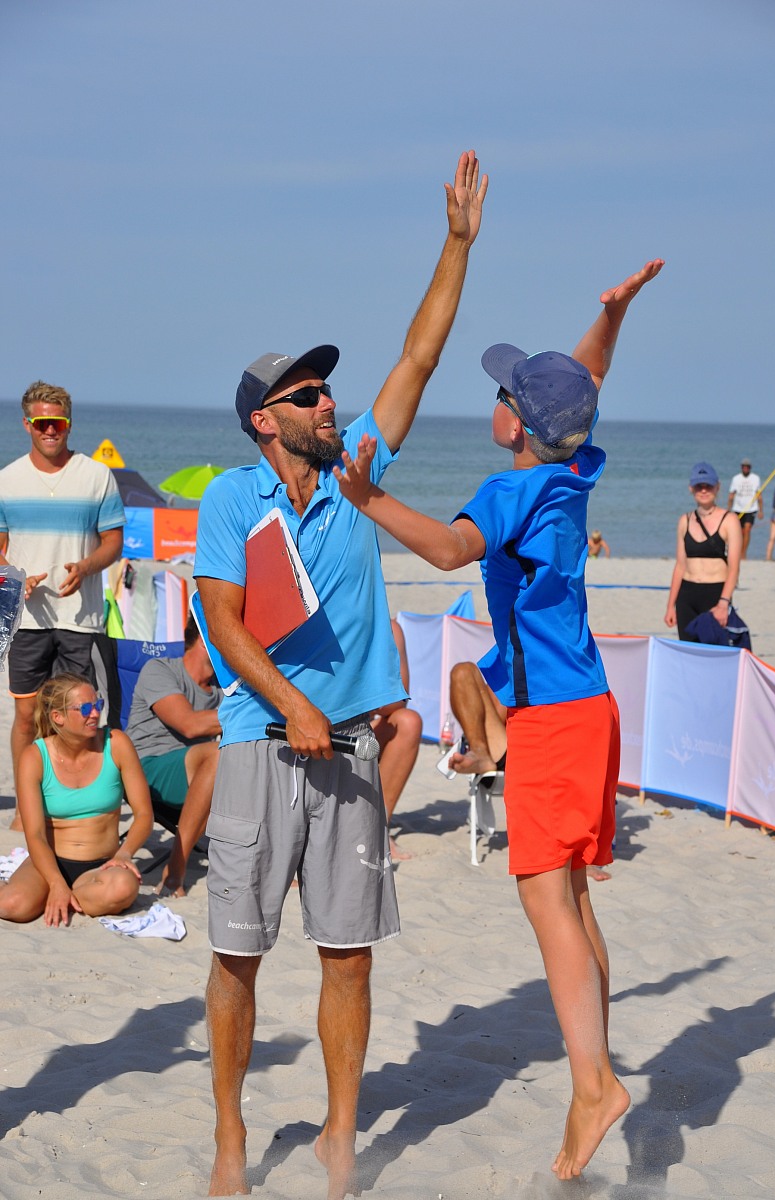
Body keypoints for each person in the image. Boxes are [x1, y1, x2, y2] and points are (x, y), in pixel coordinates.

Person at [193, 150, 487, 1198]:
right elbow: (223, 623)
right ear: (263, 418)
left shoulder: (357, 466)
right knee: (237, 955)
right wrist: (291, 703)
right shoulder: (231, 500)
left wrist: (454, 245)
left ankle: (339, 1138)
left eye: (326, 389)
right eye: (306, 393)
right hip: (257, 748)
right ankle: (232, 1140)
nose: (329, 402)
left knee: (348, 956)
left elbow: (419, 356)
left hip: (352, 749)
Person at [335, 258, 664, 1180]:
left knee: (543, 896)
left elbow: (448, 552)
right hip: (589, 706)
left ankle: (593, 1086)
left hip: (554, 717)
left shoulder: (511, 491)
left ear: (517, 425)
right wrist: (612, 317)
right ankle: (594, 1073)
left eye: (503, 393)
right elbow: (584, 385)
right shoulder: (574, 469)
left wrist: (366, 498)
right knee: (575, 896)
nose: (495, 397)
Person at [0, 381, 125, 830]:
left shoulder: (97, 476)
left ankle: (80, 802)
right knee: (26, 716)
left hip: (81, 619)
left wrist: (87, 566)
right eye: (41, 423)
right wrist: (15, 576)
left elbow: (113, 541)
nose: (50, 430)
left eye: (57, 422)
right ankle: (25, 805)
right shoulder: (7, 480)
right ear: (27, 425)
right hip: (26, 619)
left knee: (81, 714)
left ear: (69, 424)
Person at [0, 674, 152, 926]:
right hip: (50, 862)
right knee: (11, 905)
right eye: (84, 708)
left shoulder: (116, 744)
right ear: (58, 716)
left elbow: (144, 815)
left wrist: (125, 854)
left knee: (123, 888)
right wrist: (55, 881)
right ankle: (58, 893)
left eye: (98, 705)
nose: (95, 714)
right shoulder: (35, 757)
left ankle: (62, 897)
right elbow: (35, 834)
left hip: (103, 865)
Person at [447, 661, 612, 881]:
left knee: (479, 675)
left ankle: (579, 861)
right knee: (464, 671)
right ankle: (479, 752)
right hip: (512, 752)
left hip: (528, 754)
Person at [125, 614, 222, 896]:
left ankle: (271, 865)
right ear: (204, 639)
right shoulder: (160, 669)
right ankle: (176, 866)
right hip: (146, 768)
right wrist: (249, 714)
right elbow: (189, 725)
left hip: (197, 773)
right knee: (220, 755)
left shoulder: (221, 689)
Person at [664, 462, 743, 640]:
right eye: (699, 486)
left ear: (718, 487)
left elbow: (734, 568)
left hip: (715, 594)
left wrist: (724, 602)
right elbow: (680, 566)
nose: (704, 490)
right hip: (687, 596)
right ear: (691, 488)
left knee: (714, 648)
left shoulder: (729, 520)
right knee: (687, 649)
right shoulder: (685, 520)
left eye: (709, 485)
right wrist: (670, 606)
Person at [370, 619, 422, 862]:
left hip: (364, 722)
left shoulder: (389, 627)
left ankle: (377, 827)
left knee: (408, 722)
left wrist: (366, 704)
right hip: (321, 723)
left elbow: (399, 699)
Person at [728, 458, 763, 560]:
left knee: (747, 529)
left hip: (751, 509)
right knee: (738, 531)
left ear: (750, 468)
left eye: (747, 467)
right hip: (738, 508)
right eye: (744, 467)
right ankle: (737, 551)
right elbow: (731, 495)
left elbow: (759, 495)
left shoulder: (755, 478)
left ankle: (743, 553)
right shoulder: (736, 479)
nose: (746, 468)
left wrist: (761, 511)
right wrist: (728, 510)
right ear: (741, 467)